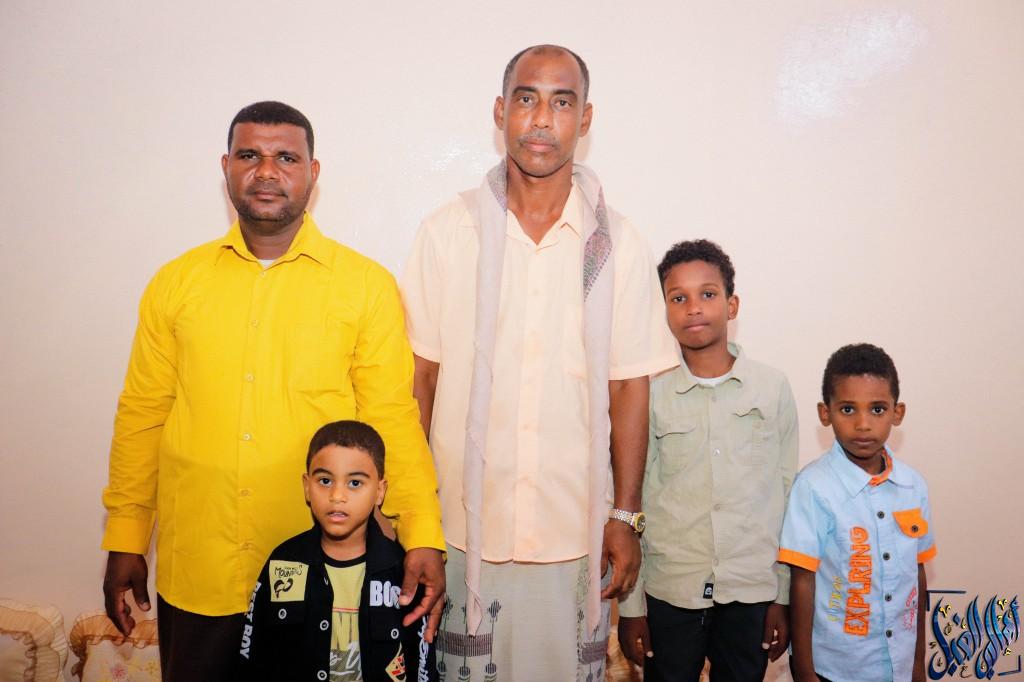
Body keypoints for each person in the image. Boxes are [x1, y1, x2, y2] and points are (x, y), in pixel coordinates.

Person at [101, 101, 445, 680]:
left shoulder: (365, 287)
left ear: (313, 172)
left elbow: (391, 420)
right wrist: (127, 535)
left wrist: (422, 534)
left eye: (286, 157)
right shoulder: (176, 283)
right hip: (201, 569)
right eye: (249, 155)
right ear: (226, 167)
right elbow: (142, 416)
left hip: (323, 575)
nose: (266, 171)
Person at [401, 44, 678, 680]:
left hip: (573, 533)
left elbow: (629, 388)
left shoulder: (618, 244)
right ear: (501, 111)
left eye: (562, 102)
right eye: (527, 99)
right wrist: (414, 517)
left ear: (586, 119)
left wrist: (625, 515)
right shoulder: (449, 232)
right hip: (460, 530)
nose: (542, 119)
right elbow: (421, 379)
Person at [618, 239, 799, 681]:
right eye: (678, 298)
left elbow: (787, 495)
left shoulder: (772, 388)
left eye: (708, 294)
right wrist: (631, 606)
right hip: (671, 590)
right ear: (663, 311)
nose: (694, 307)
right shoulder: (650, 395)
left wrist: (782, 595)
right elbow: (632, 498)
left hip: (751, 589)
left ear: (732, 305)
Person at [779, 343, 936, 682]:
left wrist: (917, 662)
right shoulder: (813, 487)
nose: (863, 424)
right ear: (825, 413)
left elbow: (917, 573)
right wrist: (804, 670)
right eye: (848, 409)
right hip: (836, 667)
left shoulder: (913, 486)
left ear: (897, 413)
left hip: (898, 665)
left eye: (877, 409)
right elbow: (802, 581)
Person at [238, 420, 437, 681]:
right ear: (307, 487)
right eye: (325, 481)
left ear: (379, 491)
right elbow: (252, 657)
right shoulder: (283, 563)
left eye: (354, 483)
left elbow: (422, 665)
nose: (337, 495)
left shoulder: (402, 573)